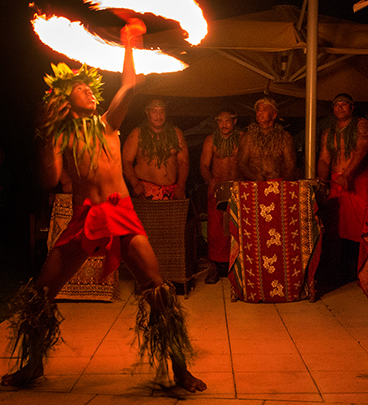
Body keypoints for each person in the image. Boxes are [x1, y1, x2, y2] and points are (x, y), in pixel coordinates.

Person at [1, 19, 206, 393]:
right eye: (82, 89)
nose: (91, 92)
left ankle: (180, 370)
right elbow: (49, 179)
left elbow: (131, 84)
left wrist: (132, 40)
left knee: (158, 291)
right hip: (84, 220)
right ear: (65, 100)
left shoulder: (108, 124)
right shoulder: (62, 137)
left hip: (121, 214)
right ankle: (31, 366)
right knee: (40, 295)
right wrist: (45, 136)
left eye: (90, 88)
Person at [317, 93, 368, 242]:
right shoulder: (328, 132)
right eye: (336, 105)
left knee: (362, 225)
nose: (340, 107)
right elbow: (324, 158)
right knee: (335, 225)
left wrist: (347, 174)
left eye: (344, 104)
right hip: (337, 181)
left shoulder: (361, 124)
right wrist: (322, 180)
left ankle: (363, 262)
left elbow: (361, 150)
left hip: (358, 179)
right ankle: (339, 262)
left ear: (352, 108)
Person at [199, 110, 242, 283]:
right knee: (216, 230)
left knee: (238, 227)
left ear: (234, 121)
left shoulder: (242, 138)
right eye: (220, 121)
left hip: (239, 187)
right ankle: (214, 267)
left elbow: (249, 160)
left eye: (228, 121)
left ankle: (240, 267)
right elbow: (203, 164)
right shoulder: (211, 140)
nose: (224, 125)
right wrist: (211, 180)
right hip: (218, 188)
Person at [122, 99, 189, 200]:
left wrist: (181, 186)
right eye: (154, 112)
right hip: (144, 191)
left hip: (172, 192)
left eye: (162, 111)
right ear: (147, 112)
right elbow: (126, 161)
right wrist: (135, 184)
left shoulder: (176, 133)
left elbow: (184, 161)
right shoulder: (137, 134)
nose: (159, 116)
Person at [237, 97, 297, 181]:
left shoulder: (284, 137)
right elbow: (241, 164)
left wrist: (283, 185)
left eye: (264, 109)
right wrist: (255, 177)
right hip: (254, 185)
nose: (260, 112)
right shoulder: (248, 137)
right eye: (258, 110)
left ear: (274, 114)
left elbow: (290, 165)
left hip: (277, 184)